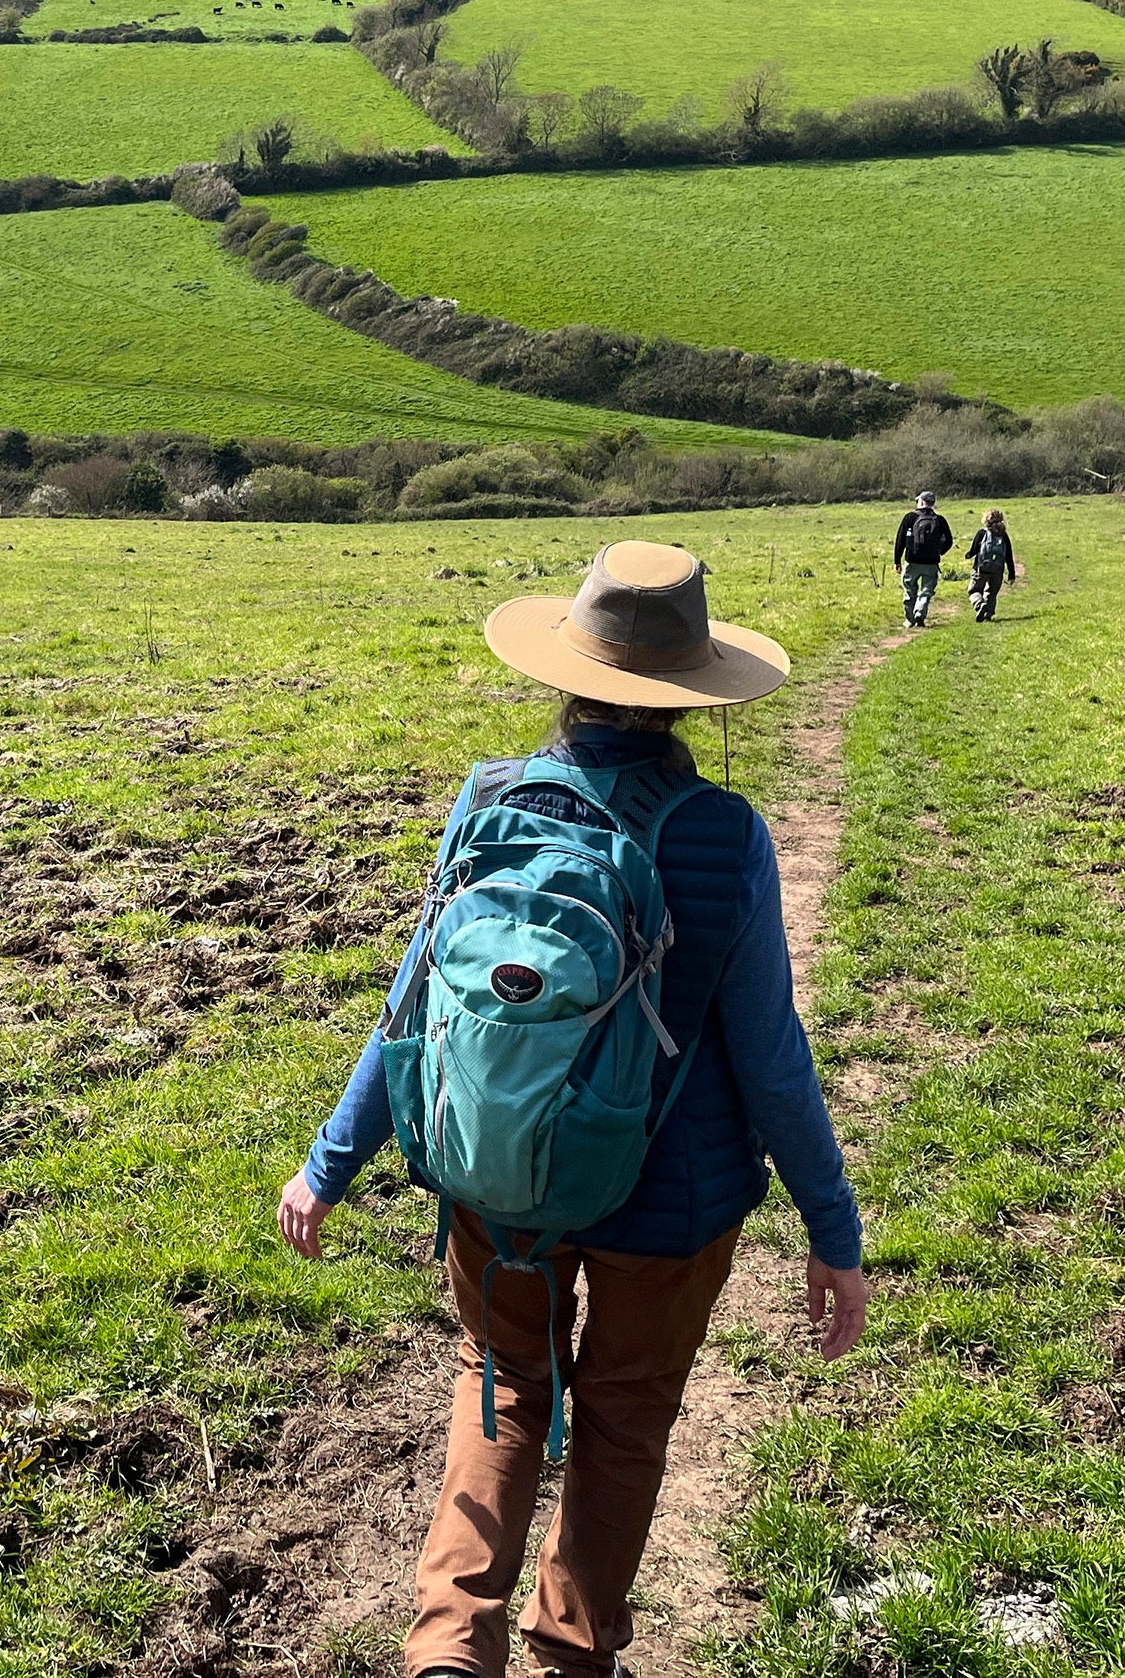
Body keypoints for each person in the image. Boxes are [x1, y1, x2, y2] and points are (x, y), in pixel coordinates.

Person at [275, 542, 869, 1678]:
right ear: (691, 691)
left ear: (568, 674)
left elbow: (412, 1005)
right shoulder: (725, 835)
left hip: (497, 1176)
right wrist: (832, 1235)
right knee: (625, 1417)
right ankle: (570, 1655)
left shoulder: (488, 799)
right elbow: (772, 1058)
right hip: (673, 1207)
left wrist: (330, 1162)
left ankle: (451, 1646)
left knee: (498, 1385)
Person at [890, 491, 954, 628]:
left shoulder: (910, 517)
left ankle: (910, 620)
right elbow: (949, 541)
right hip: (931, 562)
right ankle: (920, 612)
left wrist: (897, 561)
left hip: (912, 560)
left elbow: (900, 540)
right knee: (927, 590)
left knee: (909, 590)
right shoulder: (940, 520)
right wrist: (938, 553)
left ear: (922, 502)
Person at [966, 509, 1018, 622]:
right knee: (992, 592)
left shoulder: (982, 533)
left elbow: (974, 550)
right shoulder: (1004, 536)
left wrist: (969, 555)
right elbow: (1008, 555)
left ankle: (980, 605)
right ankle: (987, 615)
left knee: (974, 590)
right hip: (998, 570)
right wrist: (1012, 574)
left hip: (981, 568)